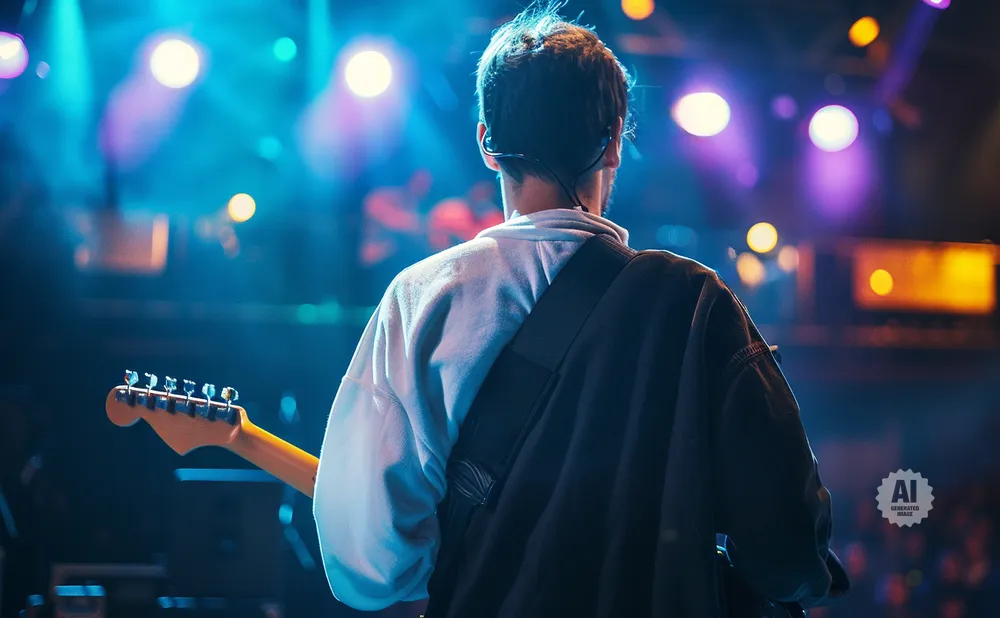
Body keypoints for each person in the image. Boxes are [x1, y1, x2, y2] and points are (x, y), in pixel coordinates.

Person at [313, 3, 843, 616]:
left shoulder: (423, 298)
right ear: (614, 142)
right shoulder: (699, 306)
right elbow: (790, 548)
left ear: (487, 142)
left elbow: (368, 564)